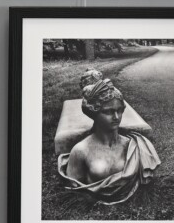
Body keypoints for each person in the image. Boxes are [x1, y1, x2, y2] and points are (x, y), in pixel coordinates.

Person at [57, 76, 160, 205]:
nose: (116, 117)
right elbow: (74, 191)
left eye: (119, 110)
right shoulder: (80, 151)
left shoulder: (134, 145)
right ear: (94, 112)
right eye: (108, 112)